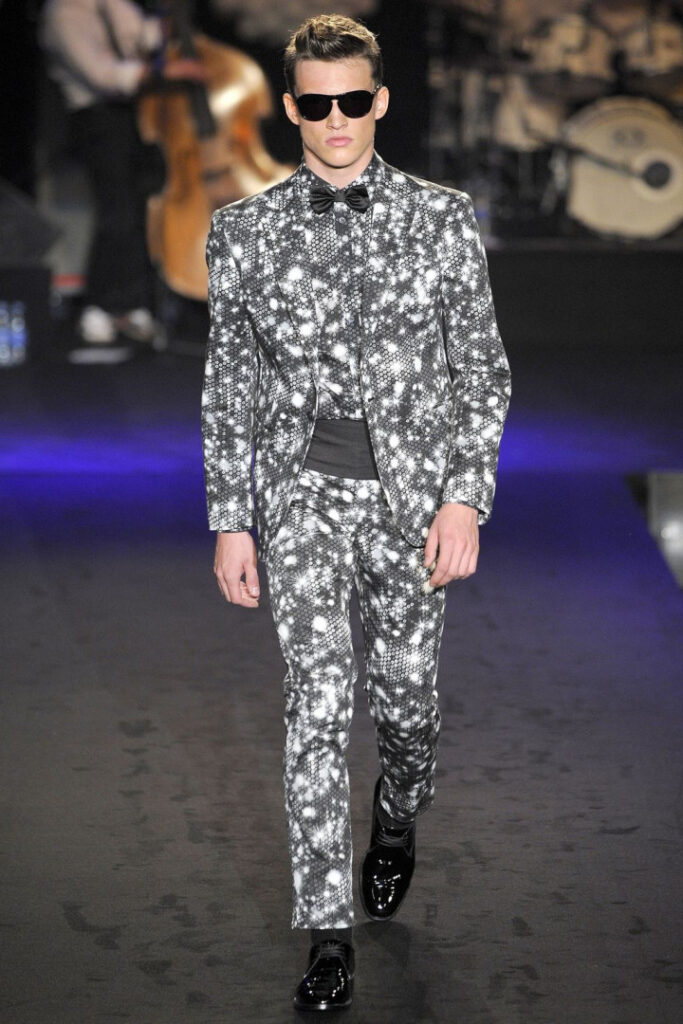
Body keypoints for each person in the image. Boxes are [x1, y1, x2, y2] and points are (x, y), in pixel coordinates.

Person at [201, 13, 511, 1013]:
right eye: (315, 102)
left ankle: (398, 809)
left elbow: (482, 372)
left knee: (407, 705)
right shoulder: (242, 231)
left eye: (351, 100)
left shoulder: (442, 219)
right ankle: (326, 931)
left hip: (412, 501)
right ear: (291, 109)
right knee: (316, 704)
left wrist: (463, 496)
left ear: (378, 100)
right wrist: (232, 518)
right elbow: (229, 388)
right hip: (300, 498)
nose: (335, 119)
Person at [39, 0, 204, 345]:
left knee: (143, 209)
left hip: (138, 112)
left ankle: (135, 303)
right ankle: (101, 304)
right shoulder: (62, 13)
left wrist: (169, 22)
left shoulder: (112, 2)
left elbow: (143, 37)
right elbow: (103, 75)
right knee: (116, 212)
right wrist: (165, 72)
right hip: (96, 117)